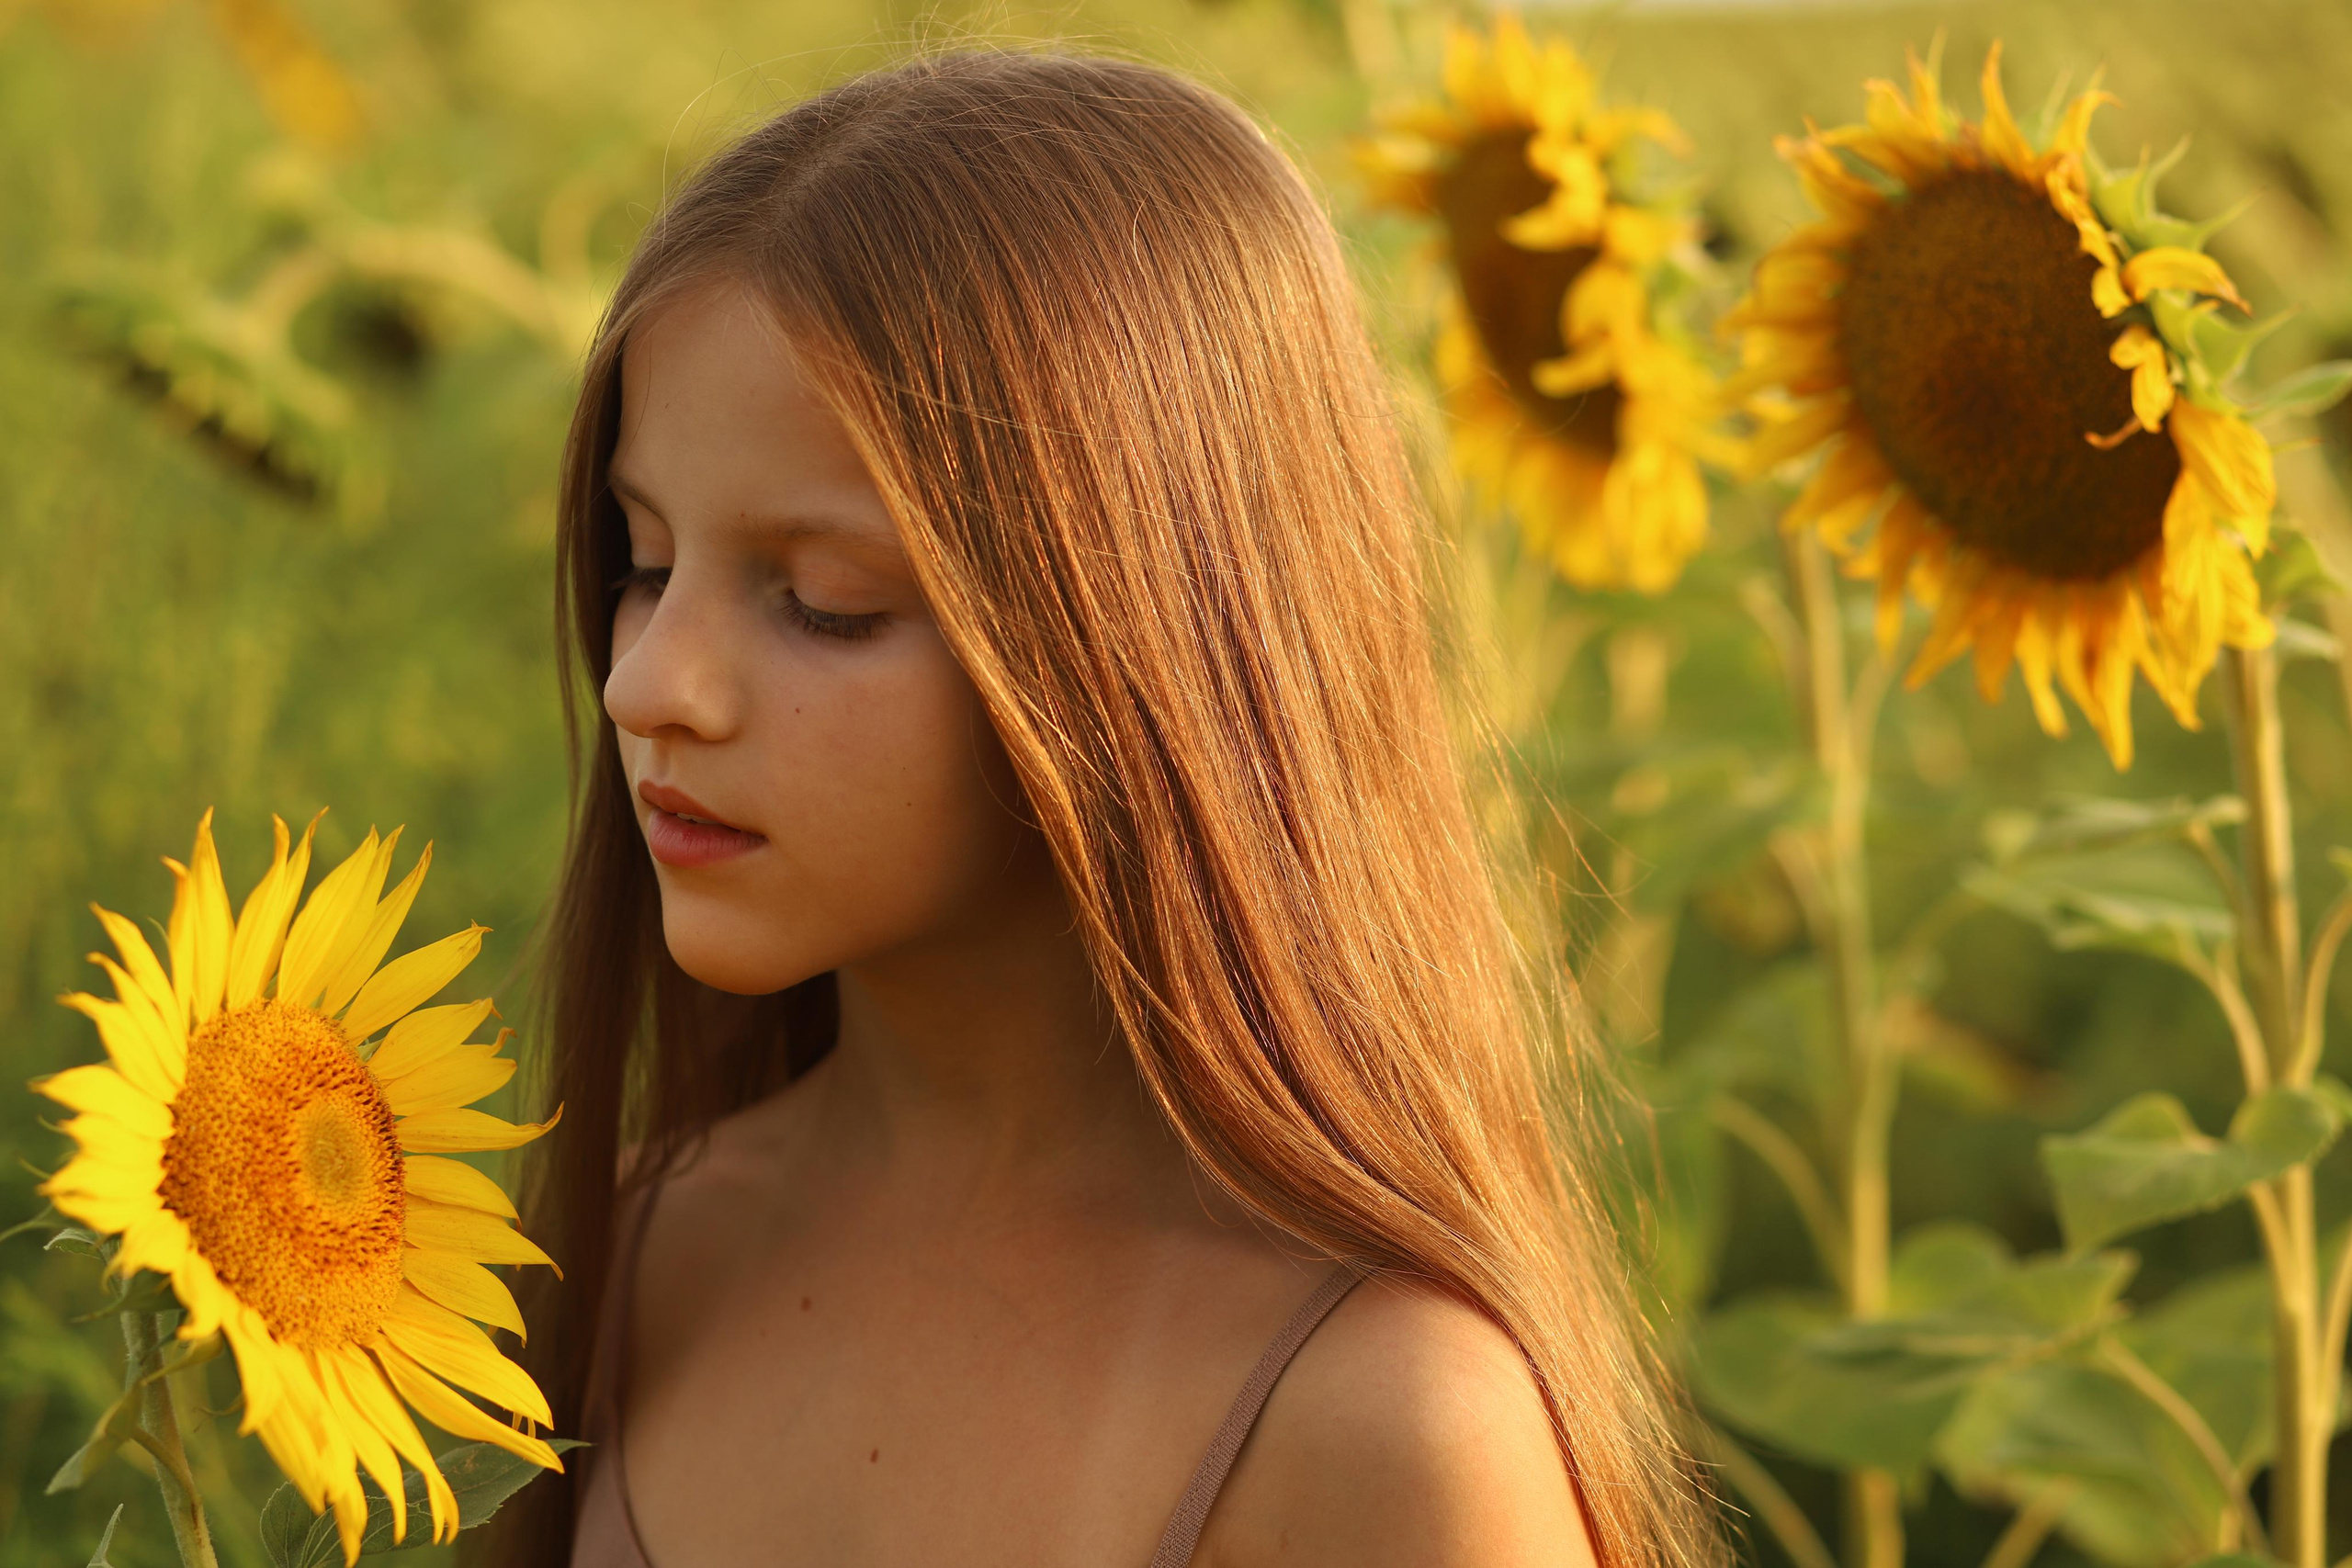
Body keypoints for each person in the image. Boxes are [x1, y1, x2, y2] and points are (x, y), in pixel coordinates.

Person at [485, 47, 1719, 1568]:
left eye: (823, 602)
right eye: (646, 562)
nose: (653, 684)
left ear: (1147, 647)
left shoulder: (1391, 1433)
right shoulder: (628, 1252)